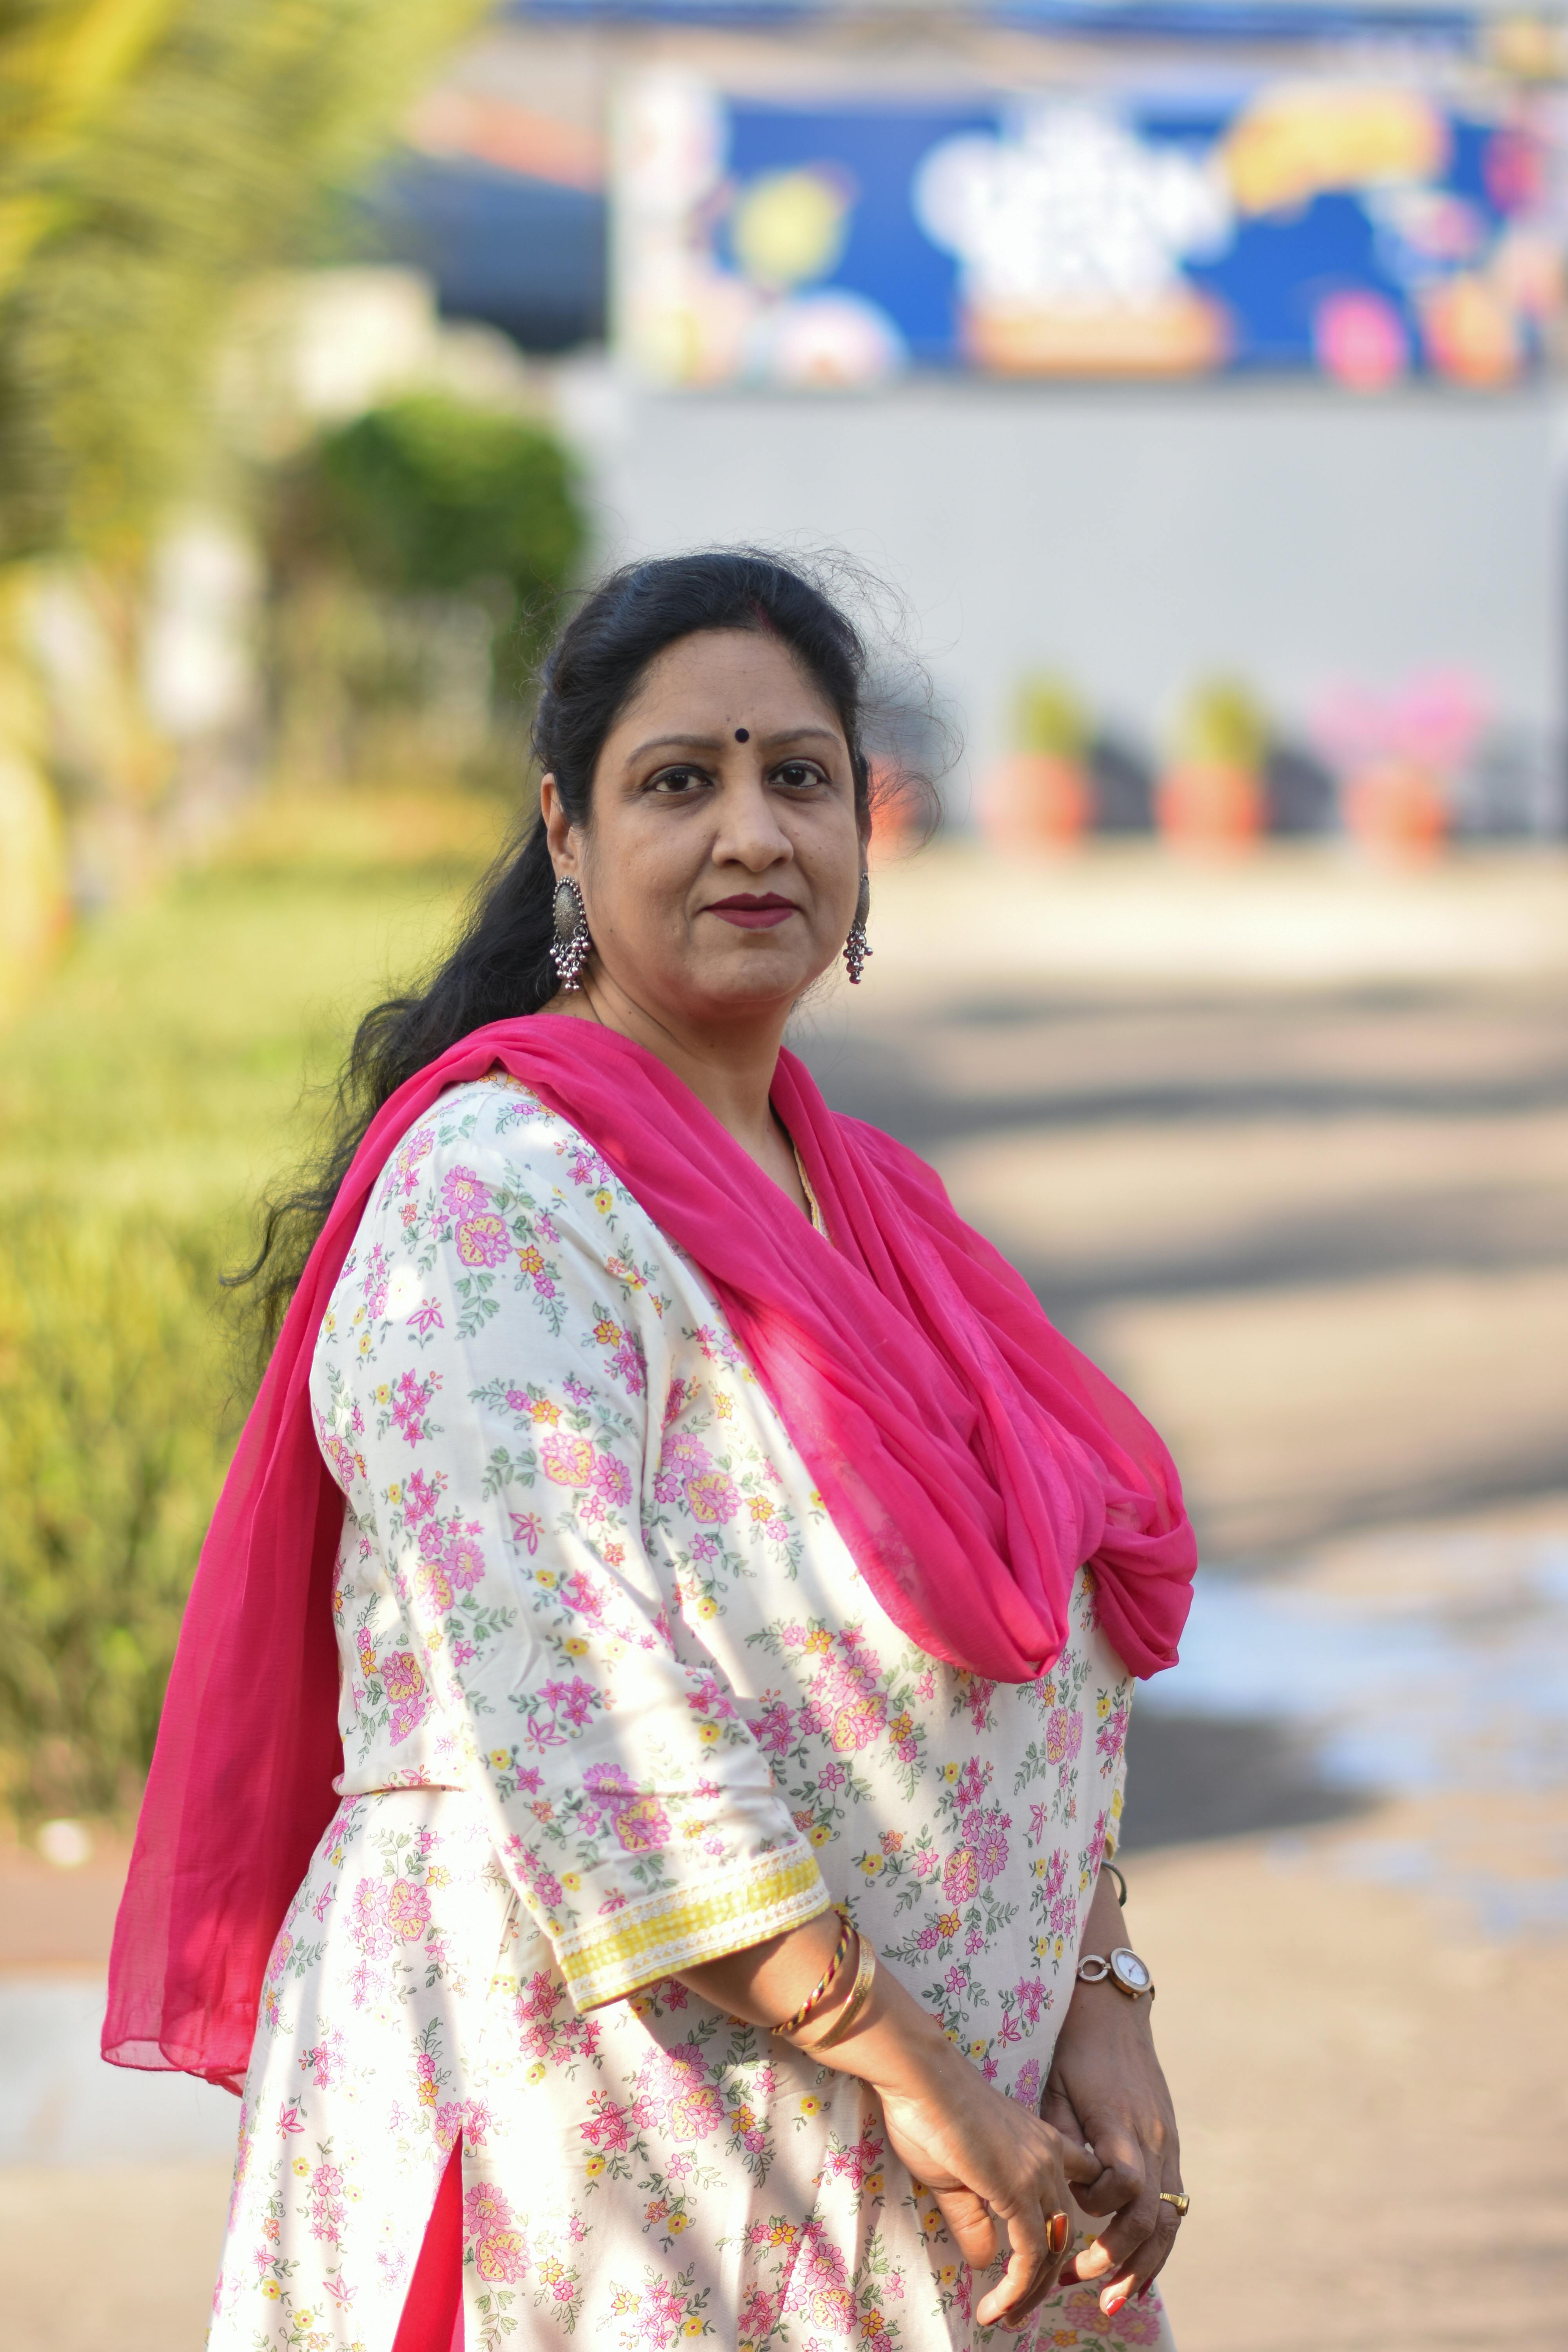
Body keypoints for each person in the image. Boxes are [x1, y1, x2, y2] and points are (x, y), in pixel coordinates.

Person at [105, 551, 1195, 2352]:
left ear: (865, 827)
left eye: (801, 778)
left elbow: (1047, 1642)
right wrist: (917, 2072)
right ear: (566, 832)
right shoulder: (500, 1206)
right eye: (679, 782)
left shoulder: (886, 1221)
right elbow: (595, 1721)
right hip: (605, 2171)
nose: (752, 833)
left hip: (944, 2164)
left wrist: (1096, 1989)